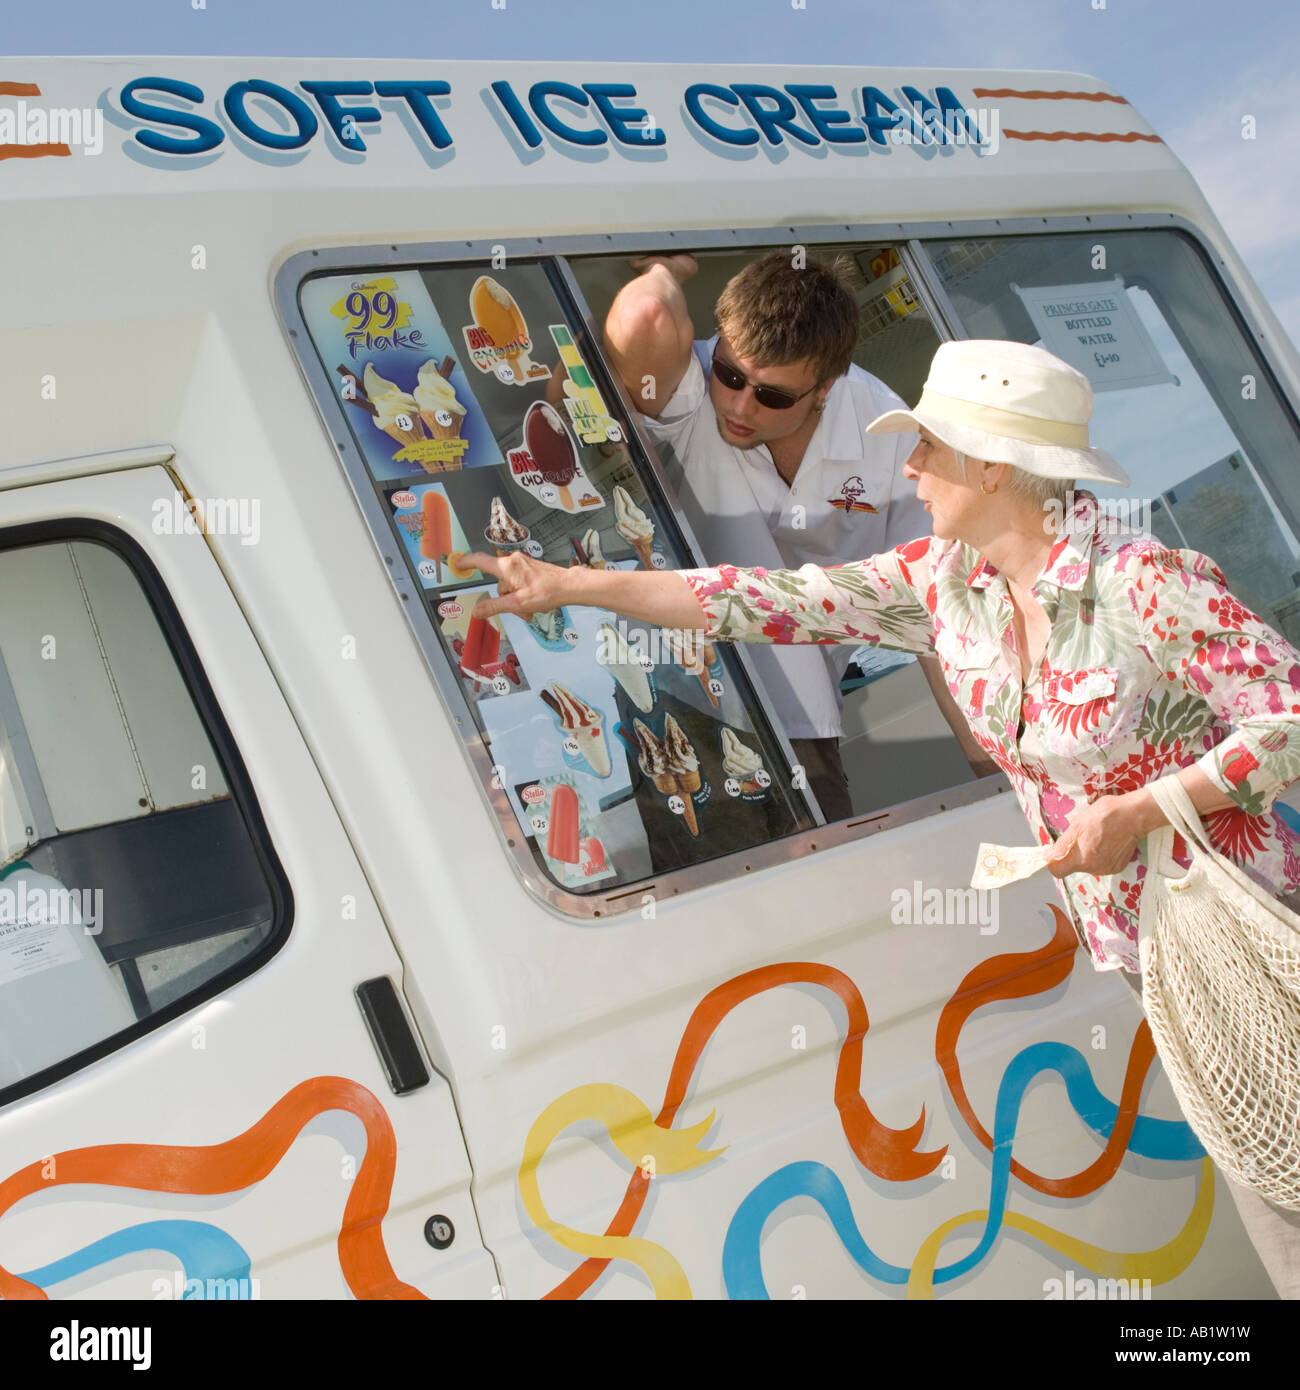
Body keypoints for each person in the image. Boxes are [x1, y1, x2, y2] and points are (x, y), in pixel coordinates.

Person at [459, 338, 1300, 1299]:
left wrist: (1140, 810)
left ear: (991, 465)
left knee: (1281, 1196)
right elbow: (752, 603)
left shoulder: (1145, 579)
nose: (909, 469)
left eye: (928, 448)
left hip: (1255, 924)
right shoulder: (941, 584)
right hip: (1154, 950)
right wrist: (569, 585)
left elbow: (1293, 717)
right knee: (1270, 1178)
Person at [602, 249, 996, 820]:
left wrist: (995, 774)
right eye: (732, 376)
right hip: (672, 694)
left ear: (826, 388)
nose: (739, 406)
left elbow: (936, 612)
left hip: (797, 710)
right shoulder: (695, 386)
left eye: (773, 395)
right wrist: (670, 271)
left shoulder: (885, 429)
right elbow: (644, 317)